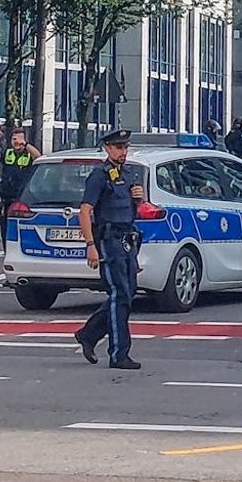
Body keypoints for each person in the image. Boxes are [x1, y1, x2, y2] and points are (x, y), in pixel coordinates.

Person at [73, 129, 148, 371]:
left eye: (125, 147)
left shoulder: (128, 174)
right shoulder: (99, 175)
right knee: (120, 294)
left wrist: (139, 199)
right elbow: (85, 211)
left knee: (126, 294)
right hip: (109, 241)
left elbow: (130, 212)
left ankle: (88, 334)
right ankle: (118, 353)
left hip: (127, 241)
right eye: (118, 147)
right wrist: (90, 245)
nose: (123, 152)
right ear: (107, 148)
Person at [0, 126, 40, 235]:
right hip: (7, 197)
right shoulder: (8, 152)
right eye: (13, 139)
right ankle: (7, 249)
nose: (16, 142)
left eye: (18, 139)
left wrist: (25, 144)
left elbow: (38, 156)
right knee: (6, 230)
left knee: (21, 230)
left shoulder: (28, 153)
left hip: (23, 198)